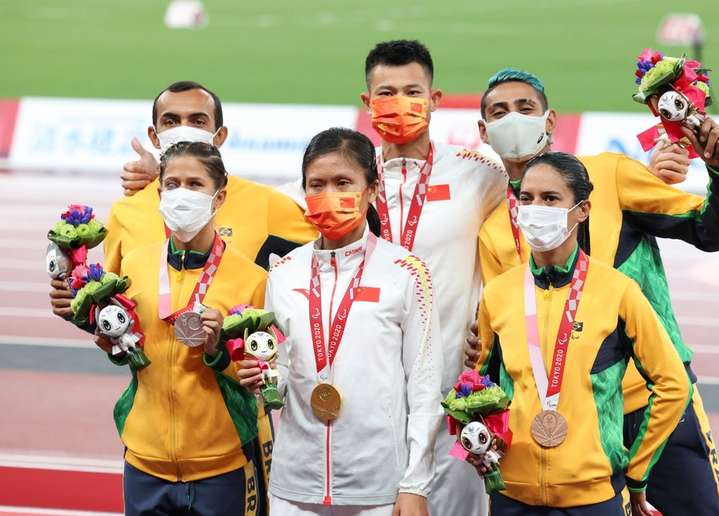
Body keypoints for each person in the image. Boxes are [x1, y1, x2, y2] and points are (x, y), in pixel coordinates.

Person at [473, 68, 719, 515]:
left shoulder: (609, 175)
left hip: (654, 402)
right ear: (483, 131)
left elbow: (711, 231)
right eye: (500, 112)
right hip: (574, 430)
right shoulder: (494, 231)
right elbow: (504, 343)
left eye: (525, 108)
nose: (514, 121)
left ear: (550, 120)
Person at [48, 81, 317, 514]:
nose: (185, 129)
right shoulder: (130, 211)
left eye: (198, 120)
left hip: (231, 436)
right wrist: (78, 311)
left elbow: (331, 236)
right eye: (171, 121)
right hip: (152, 439)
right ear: (154, 136)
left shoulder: (264, 204)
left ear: (220, 134)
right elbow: (113, 313)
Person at [238, 127, 443, 515]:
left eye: (343, 182)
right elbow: (282, 369)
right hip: (294, 485)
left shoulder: (406, 272)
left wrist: (415, 484)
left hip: (378, 488)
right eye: (317, 184)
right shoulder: (283, 272)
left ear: (372, 189)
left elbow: (424, 385)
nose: (329, 195)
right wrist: (262, 378)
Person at [475, 152, 691, 515]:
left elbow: (673, 384)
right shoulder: (498, 293)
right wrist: (481, 441)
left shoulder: (617, 292)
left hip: (592, 497)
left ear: (583, 209)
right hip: (512, 495)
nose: (535, 208)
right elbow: (481, 384)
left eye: (550, 198)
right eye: (526, 199)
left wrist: (637, 470)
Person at [361, 40, 507, 516]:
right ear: (367, 103)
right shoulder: (344, 179)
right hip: (368, 397)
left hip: (454, 398)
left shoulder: (480, 174)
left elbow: (556, 188)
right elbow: (243, 203)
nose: (400, 104)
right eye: (386, 92)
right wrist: (154, 176)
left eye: (412, 91)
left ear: (436, 99)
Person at [91, 142, 267, 515]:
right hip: (145, 461)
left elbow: (261, 377)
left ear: (218, 198)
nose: (181, 194)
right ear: (158, 193)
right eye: (172, 184)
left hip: (221, 465)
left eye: (194, 184)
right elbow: (133, 351)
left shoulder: (252, 278)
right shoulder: (134, 266)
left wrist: (218, 351)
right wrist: (113, 345)